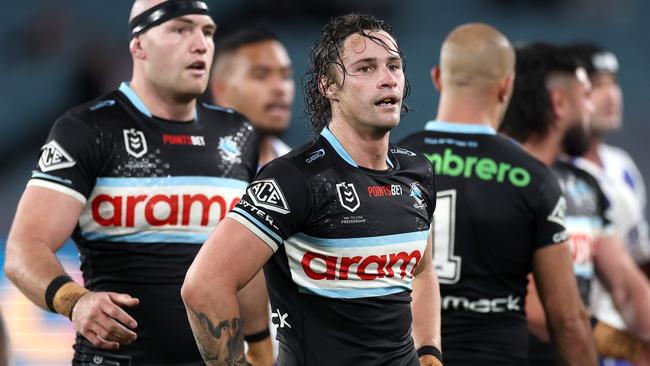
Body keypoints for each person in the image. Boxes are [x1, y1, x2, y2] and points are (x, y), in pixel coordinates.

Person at [3, 1, 267, 364]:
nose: (201, 44)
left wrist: (263, 351)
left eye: (207, 32)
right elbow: (22, 249)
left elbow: (245, 267)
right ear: (138, 46)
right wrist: (75, 301)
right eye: (180, 30)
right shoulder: (88, 130)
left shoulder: (238, 135)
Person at [182, 13, 443, 366]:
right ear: (329, 86)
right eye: (366, 68)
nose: (387, 80)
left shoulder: (417, 172)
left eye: (393, 66)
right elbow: (205, 286)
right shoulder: (294, 179)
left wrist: (428, 352)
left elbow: (422, 271)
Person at [398, 23, 595, 365]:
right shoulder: (533, 178)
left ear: (438, 78)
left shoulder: (393, 163)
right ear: (507, 87)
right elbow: (567, 320)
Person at [500, 42, 650, 365]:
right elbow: (541, 313)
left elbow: (626, 284)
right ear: (558, 103)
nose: (592, 109)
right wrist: (634, 349)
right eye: (587, 95)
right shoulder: (502, 184)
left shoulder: (585, 186)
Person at [568, 43, 650, 366]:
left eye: (613, 83)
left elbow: (639, 258)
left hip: (630, 338)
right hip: (589, 340)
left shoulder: (622, 166)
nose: (610, 96)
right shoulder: (558, 175)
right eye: (596, 86)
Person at [210, 27, 294, 168]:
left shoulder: (306, 171)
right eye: (261, 75)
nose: (280, 88)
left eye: (285, 76)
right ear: (220, 91)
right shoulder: (196, 170)